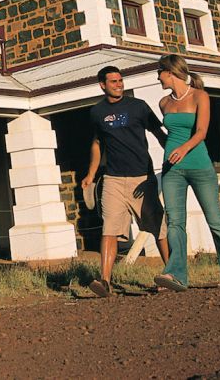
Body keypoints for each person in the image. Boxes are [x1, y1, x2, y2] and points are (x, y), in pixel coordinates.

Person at [152, 54, 220, 292]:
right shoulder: (164, 103)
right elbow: (169, 135)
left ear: (170, 72)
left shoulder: (200, 96)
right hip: (172, 170)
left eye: (159, 72)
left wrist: (183, 149)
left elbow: (201, 132)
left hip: (200, 166)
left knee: (215, 220)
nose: (157, 77)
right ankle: (176, 274)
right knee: (175, 223)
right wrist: (171, 150)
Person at [82, 66, 170, 298]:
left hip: (142, 177)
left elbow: (159, 133)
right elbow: (97, 144)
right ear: (103, 85)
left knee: (157, 227)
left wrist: (173, 155)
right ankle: (105, 282)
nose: (119, 84)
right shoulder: (96, 112)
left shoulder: (138, 106)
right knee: (109, 228)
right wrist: (91, 174)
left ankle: (171, 273)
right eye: (113, 81)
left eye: (120, 80)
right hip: (112, 179)